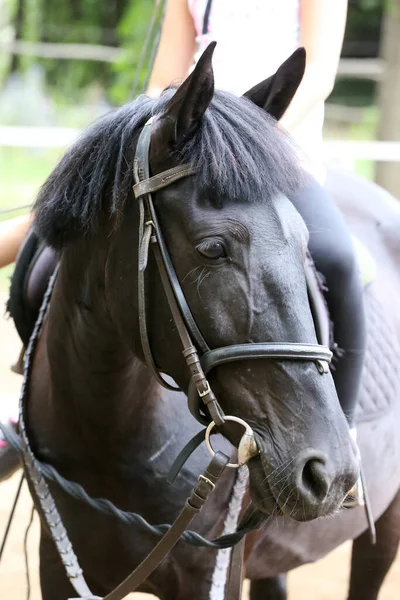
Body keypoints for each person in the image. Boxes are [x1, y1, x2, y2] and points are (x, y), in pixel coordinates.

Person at [147, 0, 365, 504]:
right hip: (189, 149)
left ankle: (343, 435)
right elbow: (163, 81)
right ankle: (24, 410)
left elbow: (318, 76)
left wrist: (242, 144)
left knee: (338, 258)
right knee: (79, 243)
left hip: (272, 149)